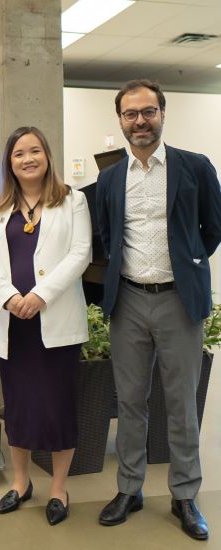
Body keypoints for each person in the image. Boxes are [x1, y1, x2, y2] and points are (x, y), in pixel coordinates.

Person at [96, 79, 221, 541]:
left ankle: (185, 495)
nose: (140, 121)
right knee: (129, 402)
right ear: (121, 121)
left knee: (181, 403)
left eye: (148, 112)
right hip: (127, 301)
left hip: (178, 300)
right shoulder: (110, 177)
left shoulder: (195, 167)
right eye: (131, 114)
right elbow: (107, 236)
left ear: (163, 114)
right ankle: (129, 489)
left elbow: (213, 229)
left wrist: (186, 267)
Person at [0, 126, 91, 526]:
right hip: (14, 321)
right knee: (19, 404)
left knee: (59, 405)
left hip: (55, 318)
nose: (28, 158)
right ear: (10, 161)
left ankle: (58, 487)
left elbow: (81, 253)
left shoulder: (72, 200)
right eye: (19, 152)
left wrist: (42, 295)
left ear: (47, 156)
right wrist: (9, 296)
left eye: (35, 150)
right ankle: (21, 482)